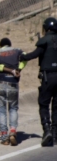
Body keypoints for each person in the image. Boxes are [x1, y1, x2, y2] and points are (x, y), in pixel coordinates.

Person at [20, 17, 57, 147]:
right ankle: (55, 133)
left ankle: (47, 130)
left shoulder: (44, 41)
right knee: (56, 106)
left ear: (46, 28)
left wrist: (22, 57)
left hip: (48, 77)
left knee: (44, 104)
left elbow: (34, 54)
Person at [0, 38, 26, 146]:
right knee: (13, 108)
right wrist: (18, 69)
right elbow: (25, 58)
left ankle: (4, 136)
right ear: (10, 44)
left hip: (0, 83)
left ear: (1, 45)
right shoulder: (17, 50)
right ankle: (13, 131)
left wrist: (3, 68)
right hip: (13, 84)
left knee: (1, 110)